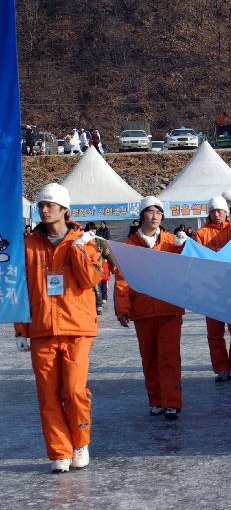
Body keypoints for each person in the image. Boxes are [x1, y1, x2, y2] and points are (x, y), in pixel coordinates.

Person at [14, 183, 102, 473]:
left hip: (76, 327)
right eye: (41, 204)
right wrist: (21, 329)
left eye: (50, 204)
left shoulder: (84, 241)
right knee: (47, 394)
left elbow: (92, 280)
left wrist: (78, 251)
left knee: (74, 390)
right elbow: (19, 288)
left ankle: (80, 442)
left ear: (65, 209)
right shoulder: (28, 245)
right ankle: (59, 451)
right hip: (42, 329)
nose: (44, 208)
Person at [114, 196, 187, 420]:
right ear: (142, 215)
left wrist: (186, 247)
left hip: (169, 309)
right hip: (143, 310)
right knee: (149, 357)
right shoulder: (129, 246)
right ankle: (156, 400)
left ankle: (171, 402)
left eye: (158, 212)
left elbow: (189, 268)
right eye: (150, 212)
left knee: (169, 357)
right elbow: (122, 279)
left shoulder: (171, 242)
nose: (155, 216)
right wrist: (123, 308)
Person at [193, 196, 231, 383]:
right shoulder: (201, 233)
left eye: (220, 211)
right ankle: (221, 367)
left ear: (226, 213)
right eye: (213, 211)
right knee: (215, 332)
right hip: (212, 290)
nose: (216, 214)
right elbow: (196, 261)